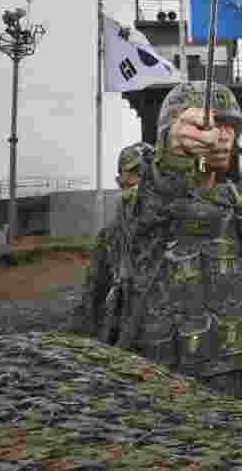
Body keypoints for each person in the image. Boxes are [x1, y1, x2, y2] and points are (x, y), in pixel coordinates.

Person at [101, 82, 242, 401]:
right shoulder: (146, 201)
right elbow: (155, 199)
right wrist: (174, 152)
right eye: (211, 124)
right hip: (167, 381)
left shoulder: (238, 203)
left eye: (231, 126)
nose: (223, 134)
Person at [71, 141, 152, 340]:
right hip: (123, 329)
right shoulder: (110, 235)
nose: (140, 179)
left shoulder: (171, 226)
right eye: (134, 172)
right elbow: (93, 294)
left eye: (146, 173)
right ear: (120, 179)